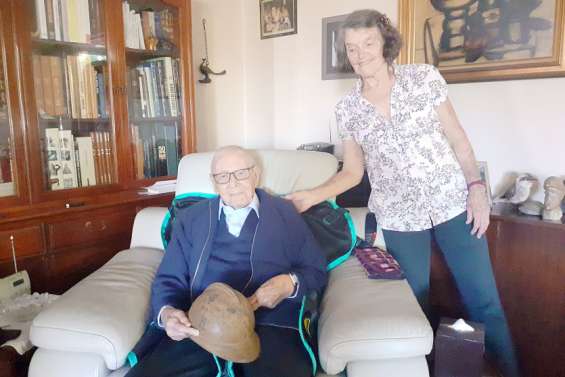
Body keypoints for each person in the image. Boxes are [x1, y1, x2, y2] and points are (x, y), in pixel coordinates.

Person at [286, 9, 520, 377]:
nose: (360, 54)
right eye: (351, 48)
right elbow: (352, 172)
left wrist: (477, 190)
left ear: (385, 44)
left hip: (453, 203)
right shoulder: (347, 109)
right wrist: (309, 196)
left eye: (367, 43)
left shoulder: (423, 79)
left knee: (484, 301)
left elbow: (459, 141)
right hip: (399, 215)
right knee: (413, 305)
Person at [126, 146, 327, 377]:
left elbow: (316, 269)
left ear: (255, 174)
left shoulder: (286, 214)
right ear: (214, 183)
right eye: (223, 177)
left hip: (270, 321)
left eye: (241, 173)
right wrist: (168, 313)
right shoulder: (191, 219)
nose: (232, 183)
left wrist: (289, 283)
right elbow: (169, 279)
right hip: (201, 320)